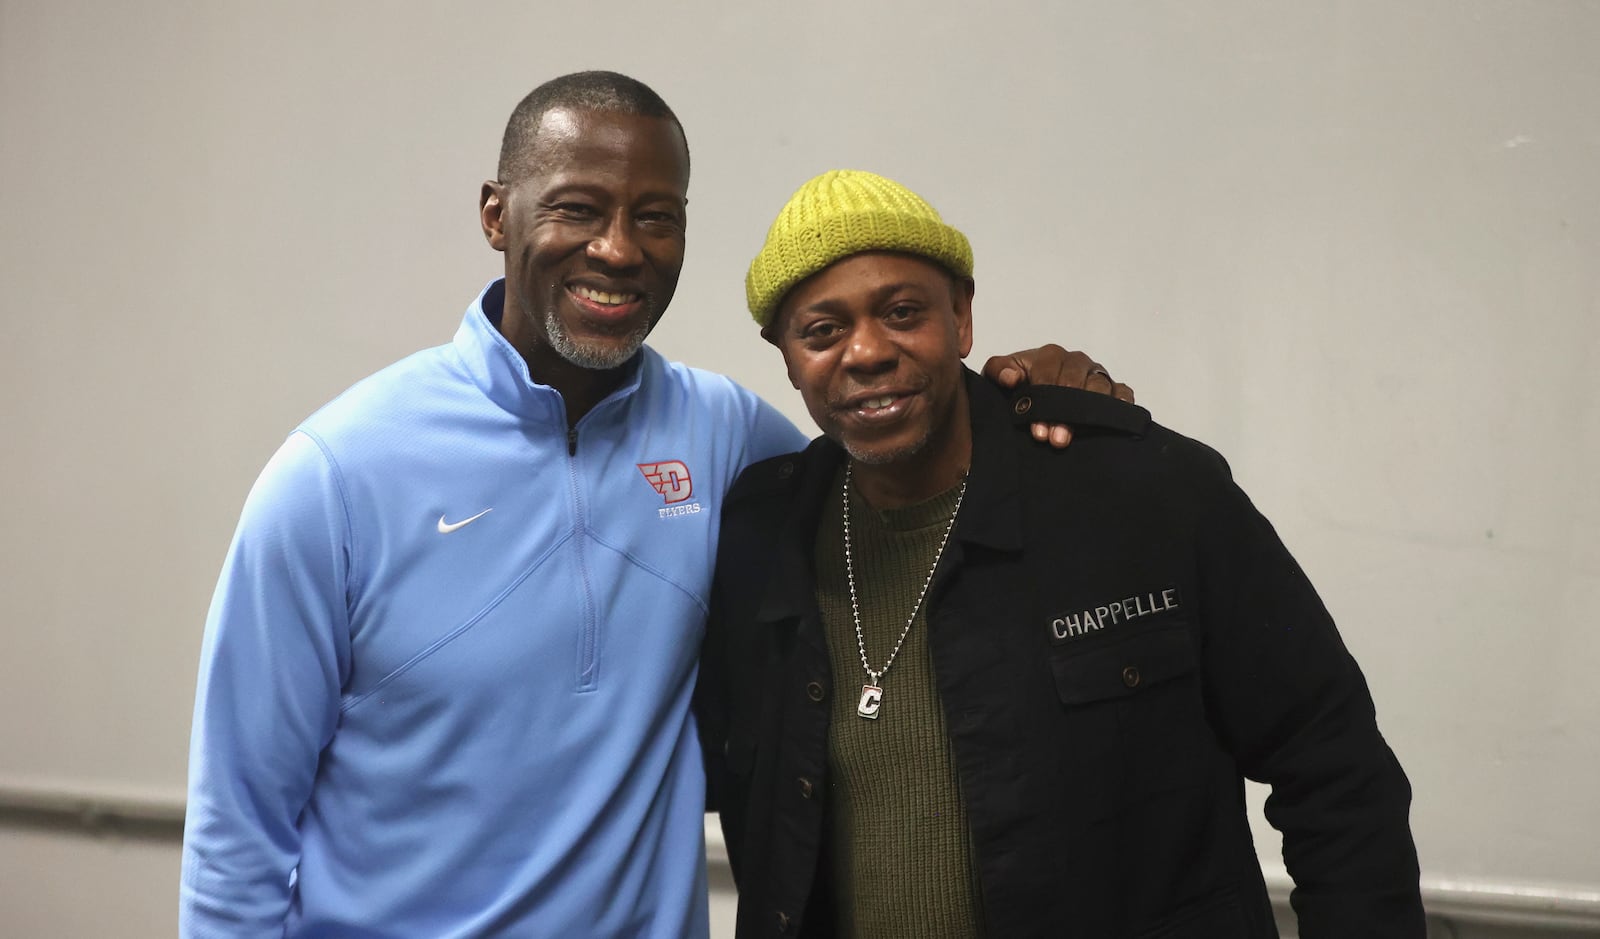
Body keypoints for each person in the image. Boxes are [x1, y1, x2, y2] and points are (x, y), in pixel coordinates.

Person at [180, 73, 1127, 937]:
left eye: (657, 216)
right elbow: (238, 835)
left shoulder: (720, 436)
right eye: (577, 209)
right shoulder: (336, 474)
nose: (619, 249)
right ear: (495, 214)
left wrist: (1024, 397)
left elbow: (896, 451)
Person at [698, 169, 1426, 938]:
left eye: (903, 311)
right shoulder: (762, 532)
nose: (867, 351)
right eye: (822, 330)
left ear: (963, 317)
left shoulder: (1143, 491)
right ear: (786, 359)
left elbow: (1334, 766)